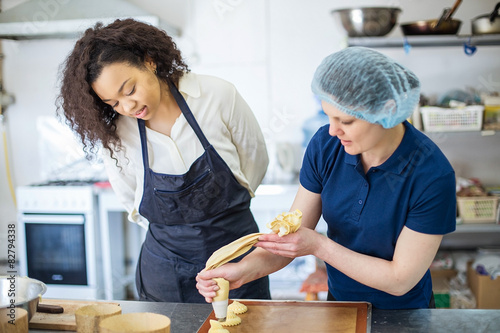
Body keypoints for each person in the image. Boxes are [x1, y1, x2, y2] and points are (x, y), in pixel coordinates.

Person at [196, 46, 456, 309]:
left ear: (386, 111)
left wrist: (319, 246)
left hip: (405, 314)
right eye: (328, 116)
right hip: (341, 305)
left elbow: (400, 279)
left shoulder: (431, 175)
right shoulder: (326, 146)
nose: (333, 130)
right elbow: (291, 238)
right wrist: (242, 271)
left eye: (346, 121)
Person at [56, 18, 271, 303]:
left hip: (238, 259)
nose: (128, 107)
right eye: (113, 103)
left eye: (129, 90)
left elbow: (255, 161)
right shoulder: (118, 134)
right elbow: (131, 200)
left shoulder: (216, 95)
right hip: (166, 270)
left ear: (149, 61)